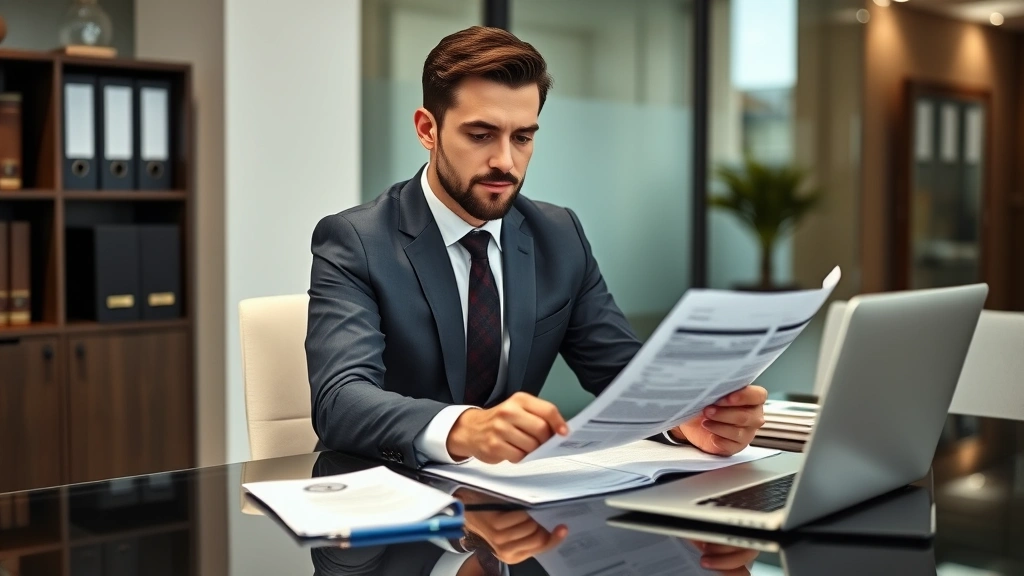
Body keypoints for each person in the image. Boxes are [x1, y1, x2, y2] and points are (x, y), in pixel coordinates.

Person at [305, 26, 766, 468]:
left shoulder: (558, 234)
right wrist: (465, 428)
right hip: (387, 510)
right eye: (480, 135)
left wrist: (686, 419)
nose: (505, 161)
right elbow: (340, 400)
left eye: (522, 137)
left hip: (514, 508)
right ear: (428, 129)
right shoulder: (356, 241)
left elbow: (621, 371)